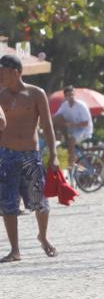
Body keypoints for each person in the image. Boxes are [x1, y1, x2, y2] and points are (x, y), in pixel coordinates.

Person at [0, 54, 59, 262]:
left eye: (2, 71)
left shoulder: (36, 94)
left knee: (39, 201)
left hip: (30, 154)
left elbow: (47, 126)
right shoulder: (0, 95)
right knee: (8, 203)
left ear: (16, 72)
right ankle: (15, 250)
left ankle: (43, 236)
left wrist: (53, 154)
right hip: (5, 155)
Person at [53, 85, 93, 168]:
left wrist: (72, 124)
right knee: (57, 118)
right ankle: (56, 138)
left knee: (71, 141)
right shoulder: (65, 105)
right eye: (68, 95)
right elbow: (56, 117)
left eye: (72, 94)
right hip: (71, 130)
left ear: (74, 94)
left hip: (84, 130)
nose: (71, 97)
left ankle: (71, 163)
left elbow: (86, 123)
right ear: (65, 97)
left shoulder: (81, 106)